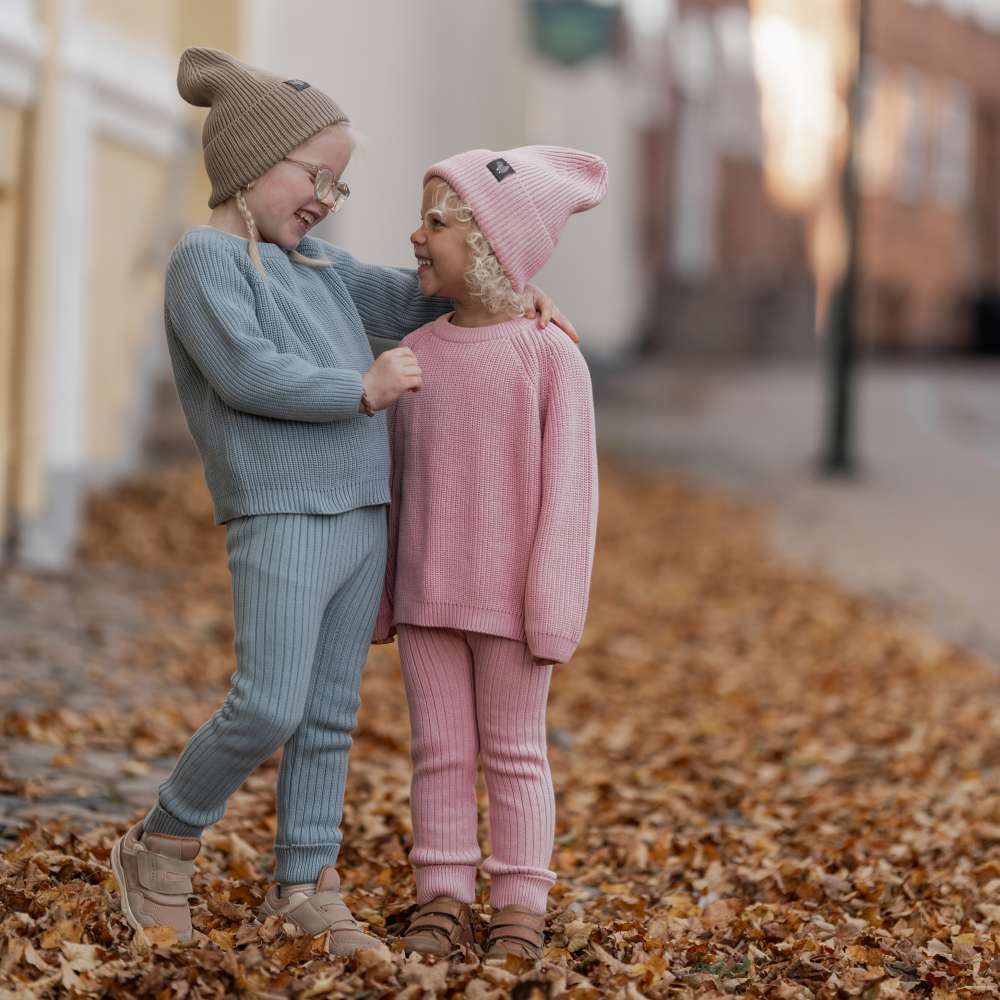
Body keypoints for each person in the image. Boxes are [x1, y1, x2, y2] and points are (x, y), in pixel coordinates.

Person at [109, 48, 573, 955]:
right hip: (282, 510)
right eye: (315, 176)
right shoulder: (204, 262)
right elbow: (248, 373)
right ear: (251, 162)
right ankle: (161, 842)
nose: (326, 198)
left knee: (329, 716)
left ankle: (306, 883)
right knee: (266, 705)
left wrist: (511, 292)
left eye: (339, 184)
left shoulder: (319, 265)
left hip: (365, 512)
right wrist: (358, 390)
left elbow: (418, 298)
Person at [373, 145, 605, 960]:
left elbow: (571, 496)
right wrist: (385, 596)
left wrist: (553, 611)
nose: (417, 235)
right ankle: (442, 896)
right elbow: (394, 481)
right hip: (427, 594)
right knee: (438, 753)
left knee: (514, 753)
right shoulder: (416, 353)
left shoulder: (551, 357)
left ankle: (519, 905)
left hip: (511, 606)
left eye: (438, 222)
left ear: (492, 244)